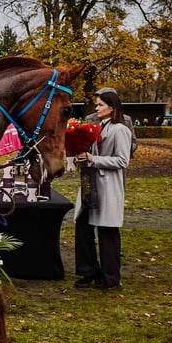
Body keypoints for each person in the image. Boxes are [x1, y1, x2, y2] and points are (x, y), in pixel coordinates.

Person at [73, 91, 132, 290]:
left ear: (112, 107)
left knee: (107, 232)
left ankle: (111, 278)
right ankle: (88, 271)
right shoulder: (97, 127)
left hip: (107, 185)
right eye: (96, 105)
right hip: (91, 183)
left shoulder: (120, 130)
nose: (96, 108)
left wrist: (93, 159)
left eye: (100, 105)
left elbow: (122, 160)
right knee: (83, 227)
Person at [85, 87, 138, 157]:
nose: (97, 108)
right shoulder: (90, 119)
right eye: (97, 104)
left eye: (101, 104)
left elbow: (133, 142)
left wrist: (121, 150)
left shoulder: (125, 120)